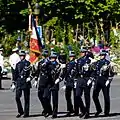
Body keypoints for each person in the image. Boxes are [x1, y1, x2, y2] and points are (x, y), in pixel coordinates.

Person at [92, 51, 115, 117]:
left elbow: (112, 73)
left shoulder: (108, 63)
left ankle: (106, 112)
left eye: (102, 55)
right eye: (100, 55)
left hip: (105, 81)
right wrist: (93, 80)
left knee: (106, 97)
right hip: (98, 80)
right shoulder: (97, 63)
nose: (101, 56)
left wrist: (109, 80)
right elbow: (94, 71)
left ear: (105, 55)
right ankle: (99, 109)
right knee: (94, 96)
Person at [11, 50, 31, 118]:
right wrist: (13, 83)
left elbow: (30, 72)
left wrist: (29, 78)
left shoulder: (28, 63)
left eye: (22, 56)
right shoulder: (18, 64)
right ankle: (20, 111)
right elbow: (15, 74)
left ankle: (26, 113)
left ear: (24, 56)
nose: (21, 57)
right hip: (19, 82)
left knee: (26, 98)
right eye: (20, 56)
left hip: (26, 82)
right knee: (17, 97)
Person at [33, 49, 52, 117]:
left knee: (45, 97)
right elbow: (38, 71)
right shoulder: (40, 62)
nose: (44, 57)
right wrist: (35, 80)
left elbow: (51, 72)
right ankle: (46, 109)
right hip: (41, 81)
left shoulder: (50, 63)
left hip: (48, 81)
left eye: (46, 56)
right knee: (40, 96)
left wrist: (47, 64)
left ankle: (47, 110)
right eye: (44, 56)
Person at [75, 48, 93, 119]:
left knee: (86, 97)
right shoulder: (78, 60)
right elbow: (76, 71)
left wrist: (91, 79)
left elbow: (93, 71)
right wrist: (75, 80)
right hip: (80, 79)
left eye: (83, 52)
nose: (81, 53)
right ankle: (83, 109)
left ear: (86, 53)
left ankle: (87, 112)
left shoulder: (90, 60)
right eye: (81, 52)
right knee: (77, 96)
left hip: (86, 79)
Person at [48, 51, 61, 118]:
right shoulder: (48, 64)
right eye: (51, 58)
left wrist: (59, 79)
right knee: (46, 98)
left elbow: (60, 73)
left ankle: (54, 113)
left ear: (55, 58)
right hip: (49, 83)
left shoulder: (58, 65)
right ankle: (48, 110)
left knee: (54, 99)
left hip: (55, 83)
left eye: (53, 58)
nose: (52, 59)